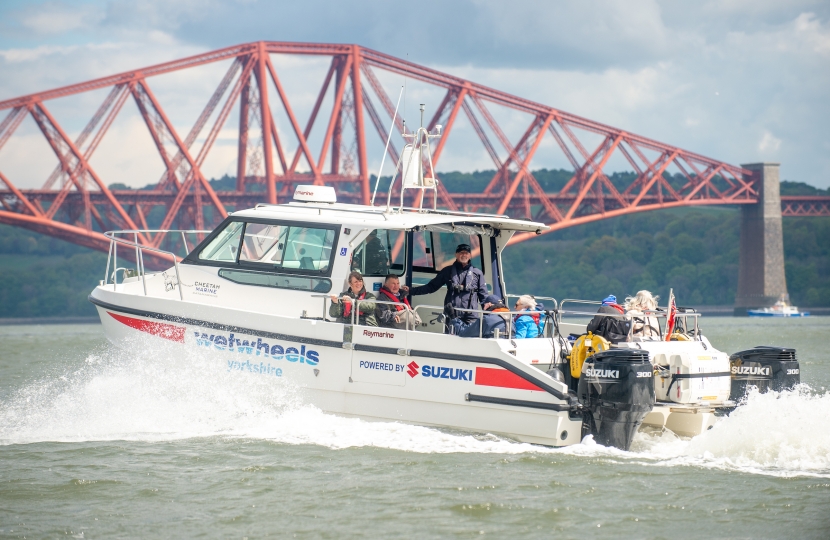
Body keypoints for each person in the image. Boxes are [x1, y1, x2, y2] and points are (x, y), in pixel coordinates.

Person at [403, 243, 487, 333]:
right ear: (456, 254)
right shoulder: (447, 271)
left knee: (472, 340)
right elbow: (431, 287)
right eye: (461, 252)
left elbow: (484, 295)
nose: (464, 255)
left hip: (471, 315)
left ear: (470, 255)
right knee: (449, 341)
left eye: (466, 253)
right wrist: (411, 291)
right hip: (451, 313)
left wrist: (489, 312)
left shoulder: (477, 273)